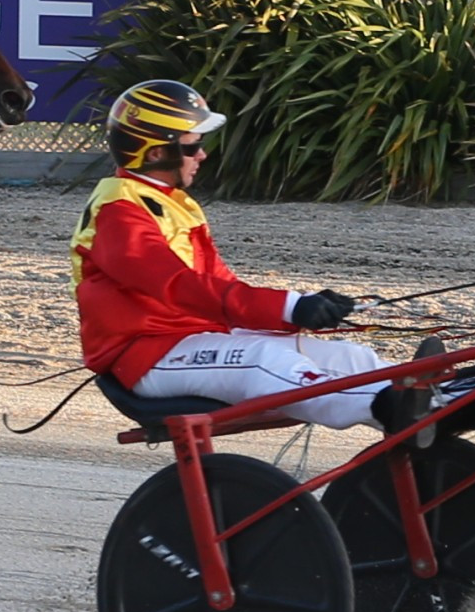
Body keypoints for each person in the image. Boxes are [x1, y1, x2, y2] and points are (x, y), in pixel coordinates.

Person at [69, 80, 430, 433]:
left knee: (348, 358)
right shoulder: (118, 210)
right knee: (265, 362)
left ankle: (440, 402)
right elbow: (178, 286)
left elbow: (222, 288)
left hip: (193, 338)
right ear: (156, 153)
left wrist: (299, 312)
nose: (202, 155)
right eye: (193, 146)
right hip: (149, 357)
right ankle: (390, 405)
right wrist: (289, 306)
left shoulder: (170, 202)